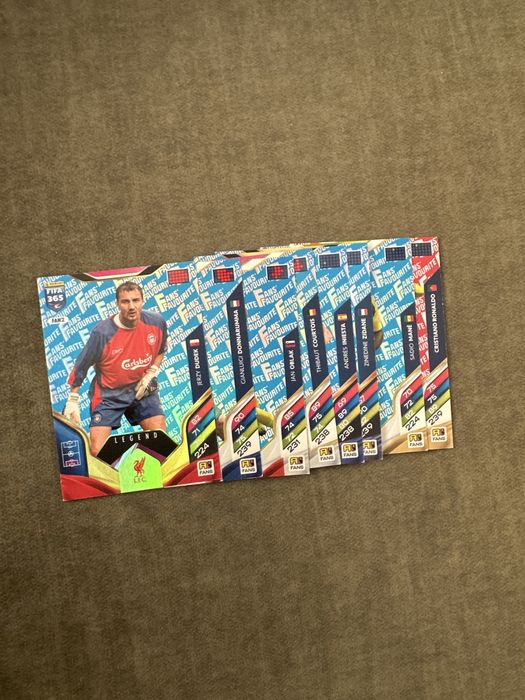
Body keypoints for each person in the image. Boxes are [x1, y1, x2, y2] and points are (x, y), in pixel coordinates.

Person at [63, 282, 168, 456]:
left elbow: (161, 350)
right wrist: (73, 399)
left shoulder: (157, 322)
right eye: (125, 301)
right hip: (108, 395)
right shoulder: (102, 333)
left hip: (141, 389)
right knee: (97, 452)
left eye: (136, 300)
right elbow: (81, 365)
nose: (131, 306)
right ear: (117, 304)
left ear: (143, 301)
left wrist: (151, 373)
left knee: (161, 442)